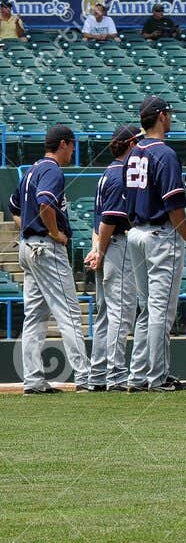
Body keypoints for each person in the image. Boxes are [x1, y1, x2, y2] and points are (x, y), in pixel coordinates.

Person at [123, 97, 186, 391]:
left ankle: (137, 376)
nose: (171, 118)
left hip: (136, 233)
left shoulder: (133, 153)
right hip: (159, 236)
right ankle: (157, 376)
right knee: (161, 310)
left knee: (146, 309)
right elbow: (174, 206)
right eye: (169, 114)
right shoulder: (163, 153)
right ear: (161, 116)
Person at [11, 125, 89, 393]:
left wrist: (28, 231)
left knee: (33, 316)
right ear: (64, 144)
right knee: (68, 312)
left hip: (28, 247)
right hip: (45, 248)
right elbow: (45, 202)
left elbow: (14, 207)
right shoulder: (52, 170)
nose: (73, 150)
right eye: (72, 145)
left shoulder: (32, 169)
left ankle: (33, 380)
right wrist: (54, 233)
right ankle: (85, 377)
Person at [84, 125, 141, 391]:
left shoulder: (108, 172)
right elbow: (108, 220)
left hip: (105, 245)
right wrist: (103, 251)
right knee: (121, 312)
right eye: (137, 142)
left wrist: (97, 249)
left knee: (107, 313)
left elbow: (98, 223)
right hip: (116, 246)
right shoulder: (120, 175)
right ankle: (116, 373)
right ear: (130, 144)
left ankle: (98, 374)